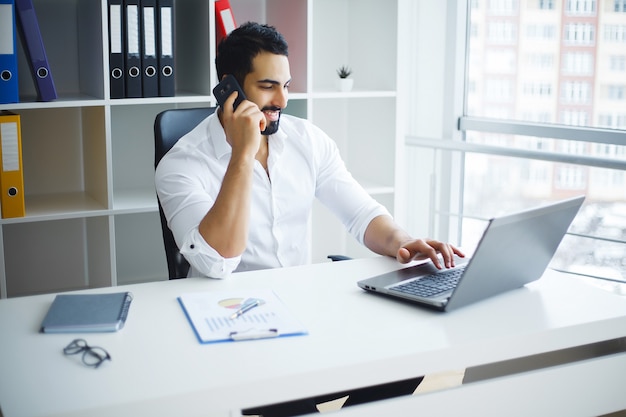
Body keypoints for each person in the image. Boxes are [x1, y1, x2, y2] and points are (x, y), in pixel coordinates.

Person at [155, 22, 464, 279]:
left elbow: (360, 214)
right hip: (225, 309)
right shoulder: (182, 164)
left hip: (297, 301)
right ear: (229, 88)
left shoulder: (308, 140)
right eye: (267, 86)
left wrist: (405, 241)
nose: (283, 100)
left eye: (286, 85)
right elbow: (215, 263)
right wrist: (242, 155)